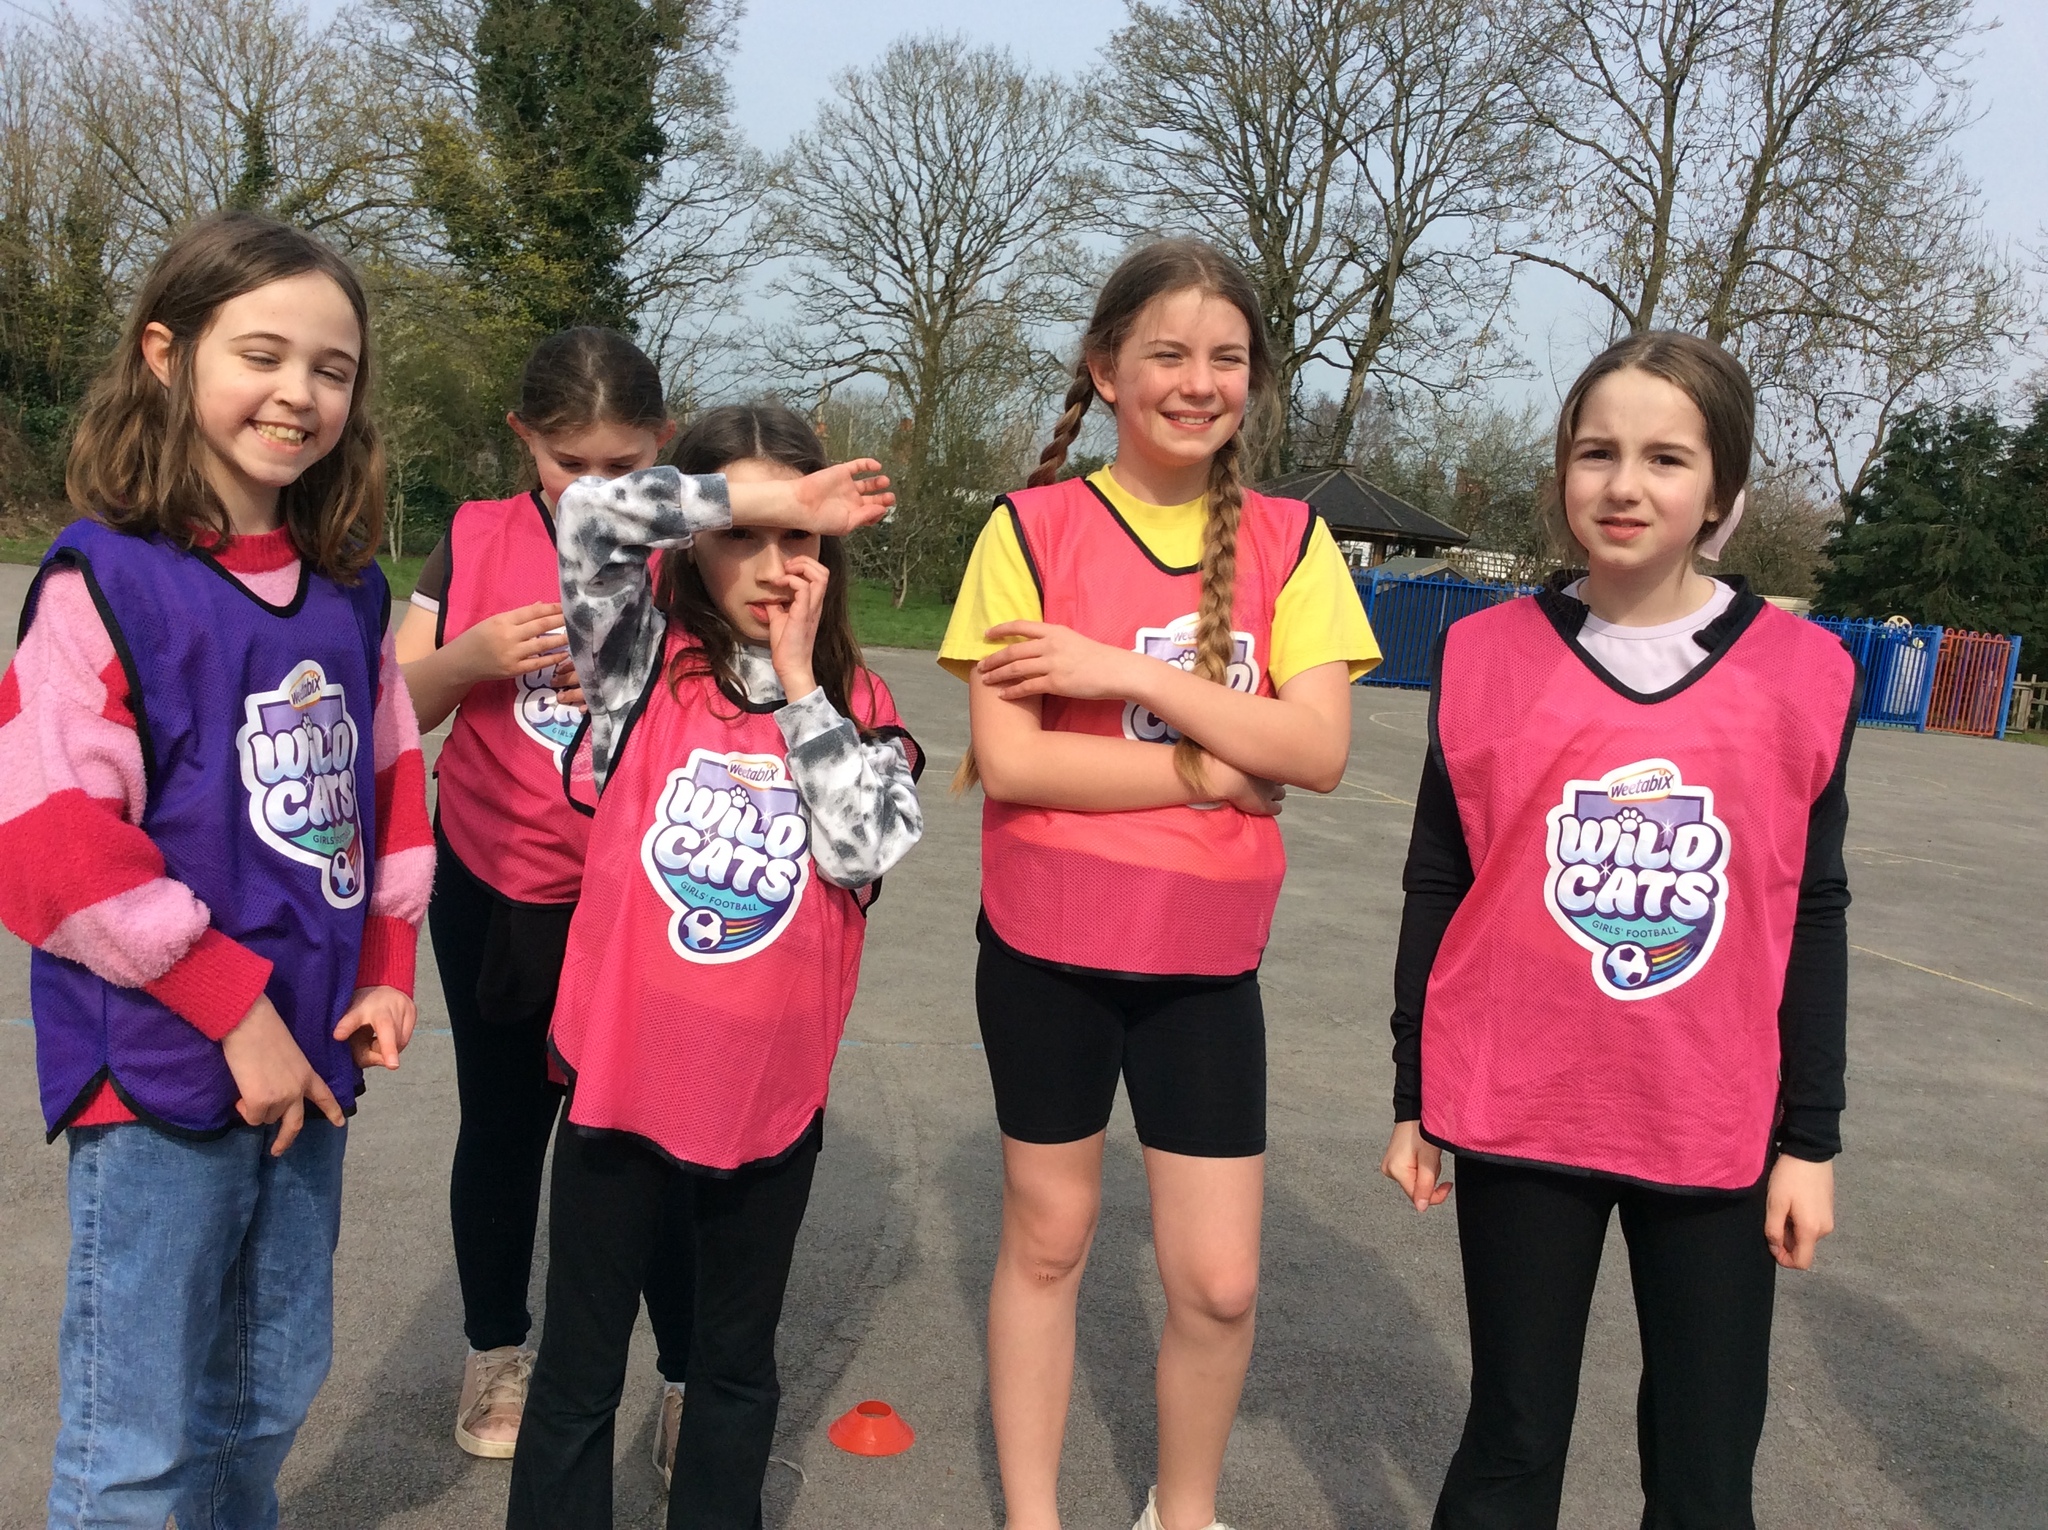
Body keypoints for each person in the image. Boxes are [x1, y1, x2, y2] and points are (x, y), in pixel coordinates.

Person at [1379, 332, 1857, 1528]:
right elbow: (1439, 880)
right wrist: (1413, 1094)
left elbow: (1810, 905)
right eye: (1595, 452)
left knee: (1703, 1466)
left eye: (1664, 457)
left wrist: (1809, 1140)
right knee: (1511, 1437)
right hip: (1519, 1103)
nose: (1623, 485)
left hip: (1712, 1119)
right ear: (1561, 471)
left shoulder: (1802, 673)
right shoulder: (1482, 653)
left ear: (1722, 488)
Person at [0, 210, 433, 1527]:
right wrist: (231, 1009)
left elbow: (388, 784)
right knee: (135, 1437)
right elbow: (51, 842)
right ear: (166, 353)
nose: (299, 392)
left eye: (332, 368)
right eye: (263, 354)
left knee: (264, 1397)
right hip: (163, 1071)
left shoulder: (349, 590)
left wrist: (386, 964)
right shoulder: (105, 580)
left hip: (312, 1058)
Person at [940, 238, 1381, 1530]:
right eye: (1168, 354)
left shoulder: (1293, 542)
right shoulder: (1028, 529)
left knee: (1220, 1282)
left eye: (1226, 358)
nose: (1199, 382)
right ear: (1105, 368)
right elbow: (1016, 761)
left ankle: (1181, 1513)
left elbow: (1317, 751)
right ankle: (1033, 1516)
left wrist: (1126, 675)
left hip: (1205, 963)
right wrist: (1211, 771)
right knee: (1049, 1242)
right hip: (1048, 948)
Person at [504, 404, 922, 1530]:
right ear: (695, 542)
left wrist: (800, 687)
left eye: (800, 538)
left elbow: (861, 849)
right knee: (579, 1372)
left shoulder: (863, 712)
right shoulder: (639, 664)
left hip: (766, 1108)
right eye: (744, 533)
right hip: (620, 1089)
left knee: (732, 1372)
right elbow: (590, 515)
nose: (775, 563)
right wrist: (773, 496)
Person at [393, 327, 697, 1474]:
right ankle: (495, 1351)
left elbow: (735, 698)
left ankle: (687, 1376)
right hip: (498, 884)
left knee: (647, 1142)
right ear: (524, 438)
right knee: (505, 1125)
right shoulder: (473, 536)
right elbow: (393, 710)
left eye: (626, 466)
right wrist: (471, 655)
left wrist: (636, 668)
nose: (597, 489)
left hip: (640, 896)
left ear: (665, 444)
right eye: (571, 464)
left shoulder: (684, 545)